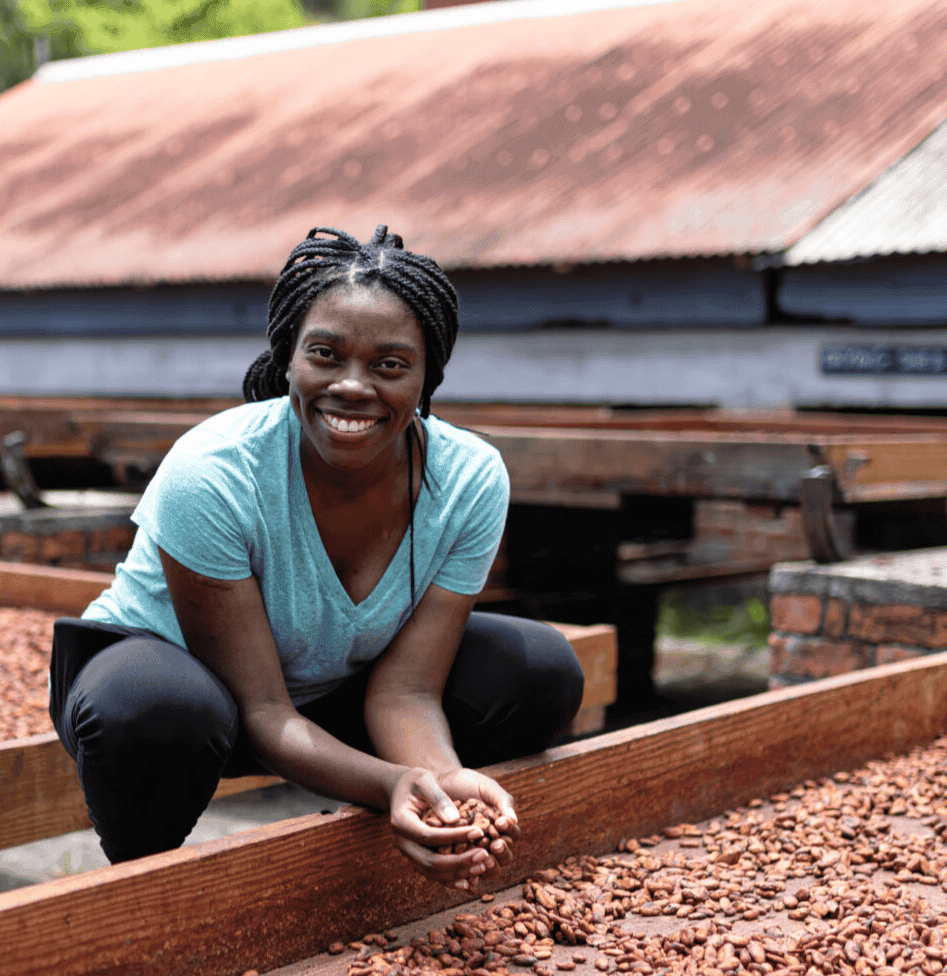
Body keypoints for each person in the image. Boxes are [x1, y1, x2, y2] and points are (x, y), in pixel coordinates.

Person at [47, 225, 584, 886]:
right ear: (288, 357)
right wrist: (389, 783)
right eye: (325, 354)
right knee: (156, 711)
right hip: (179, 684)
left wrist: (439, 787)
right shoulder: (214, 472)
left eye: (390, 364)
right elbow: (266, 712)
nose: (352, 386)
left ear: (426, 376)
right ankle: (144, 895)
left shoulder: (468, 479)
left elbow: (408, 689)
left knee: (540, 670)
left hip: (328, 685)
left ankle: (387, 846)